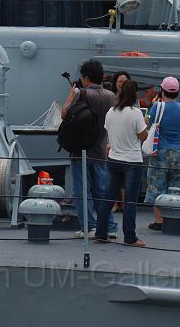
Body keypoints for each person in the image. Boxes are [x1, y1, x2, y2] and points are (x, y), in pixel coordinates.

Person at [61, 59, 117, 239]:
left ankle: (89, 226)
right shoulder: (110, 96)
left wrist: (72, 93)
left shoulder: (80, 92)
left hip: (80, 149)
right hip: (100, 149)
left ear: (85, 77)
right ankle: (109, 226)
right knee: (102, 189)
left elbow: (64, 113)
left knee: (82, 190)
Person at [94, 80, 148, 247]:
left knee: (107, 198)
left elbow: (108, 130)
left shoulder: (111, 112)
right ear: (135, 95)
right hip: (132, 160)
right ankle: (130, 237)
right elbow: (143, 136)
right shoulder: (136, 113)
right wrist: (145, 122)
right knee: (130, 201)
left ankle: (101, 233)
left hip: (113, 158)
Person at [145, 76, 180, 231]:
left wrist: (153, 105)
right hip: (177, 150)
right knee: (176, 185)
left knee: (157, 185)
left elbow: (149, 123)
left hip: (160, 150)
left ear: (162, 90)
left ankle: (159, 220)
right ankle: (173, 217)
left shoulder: (157, 107)